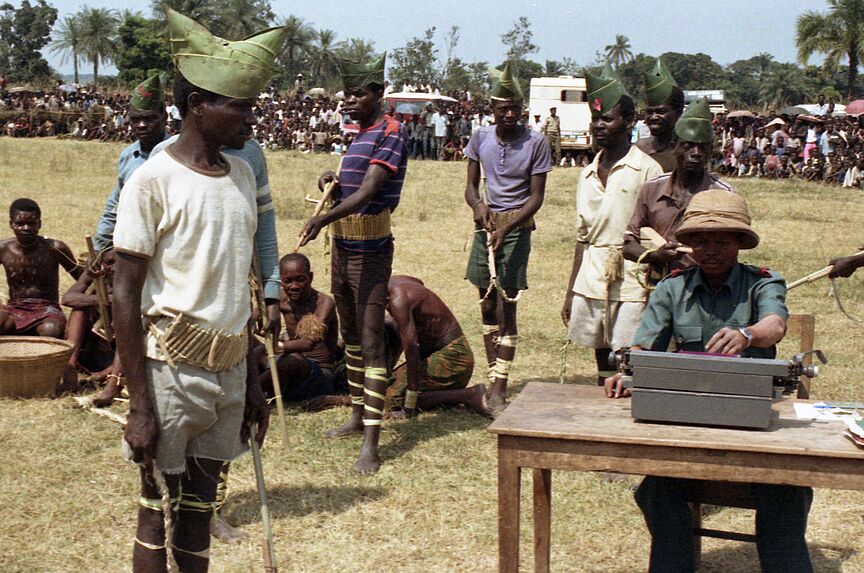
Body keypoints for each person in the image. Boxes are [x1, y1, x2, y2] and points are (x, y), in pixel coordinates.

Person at [112, 10, 285, 571]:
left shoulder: (241, 175)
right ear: (196, 107)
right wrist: (138, 405)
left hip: (229, 370)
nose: (251, 120)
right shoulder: (151, 181)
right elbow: (124, 295)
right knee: (154, 510)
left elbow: (241, 284)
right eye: (239, 106)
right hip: (168, 372)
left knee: (198, 508)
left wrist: (253, 375)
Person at [605, 190, 814, 573]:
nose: (710, 250)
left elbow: (775, 324)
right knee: (657, 490)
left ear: (739, 243)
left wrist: (748, 335)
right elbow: (643, 346)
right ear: (689, 244)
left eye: (722, 241)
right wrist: (629, 372)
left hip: (757, 424)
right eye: (700, 240)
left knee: (786, 492)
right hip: (690, 421)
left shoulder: (762, 283)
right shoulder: (673, 287)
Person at [297, 52, 409, 474]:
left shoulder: (392, 132)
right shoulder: (359, 134)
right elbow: (351, 186)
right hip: (344, 247)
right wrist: (332, 177)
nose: (348, 101)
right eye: (346, 95)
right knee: (353, 338)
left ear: (378, 95)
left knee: (372, 337)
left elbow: (369, 192)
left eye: (357, 94)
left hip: (370, 248)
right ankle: (358, 415)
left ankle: (372, 444)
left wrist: (322, 217)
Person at [561, 67, 662, 385]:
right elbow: (582, 237)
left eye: (608, 119)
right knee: (601, 351)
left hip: (633, 279)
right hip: (591, 275)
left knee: (628, 353)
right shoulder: (586, 173)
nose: (599, 126)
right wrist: (570, 291)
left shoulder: (646, 169)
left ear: (630, 122)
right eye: (596, 120)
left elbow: (657, 233)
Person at [463, 61, 552, 411]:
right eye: (503, 109)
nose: (510, 114)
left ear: (523, 110)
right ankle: (491, 375)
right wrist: (478, 206)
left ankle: (500, 386)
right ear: (493, 111)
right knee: (485, 301)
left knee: (506, 305)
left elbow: (537, 198)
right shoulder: (480, 137)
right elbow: (470, 187)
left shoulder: (537, 142)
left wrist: (507, 227)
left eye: (516, 108)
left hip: (516, 227)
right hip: (485, 227)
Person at [305, 275, 491, 418]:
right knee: (384, 327)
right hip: (435, 353)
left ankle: (469, 395)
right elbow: (418, 283)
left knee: (389, 398)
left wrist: (408, 406)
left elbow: (412, 349)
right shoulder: (396, 282)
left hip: (454, 359)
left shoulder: (398, 301)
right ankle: (441, 393)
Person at [623, 98, 733, 283]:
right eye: (688, 145)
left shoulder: (724, 195)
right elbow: (628, 245)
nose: (696, 153)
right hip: (660, 288)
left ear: (710, 152)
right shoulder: (652, 189)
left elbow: (733, 248)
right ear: (674, 146)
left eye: (702, 147)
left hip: (708, 289)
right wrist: (655, 256)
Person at [93, 73, 169, 253]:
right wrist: (100, 247)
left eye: (149, 119)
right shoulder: (128, 156)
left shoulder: (178, 153)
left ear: (164, 117)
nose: (141, 125)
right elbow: (115, 205)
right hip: (133, 246)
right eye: (135, 120)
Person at [258, 252, 345, 401]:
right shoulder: (281, 299)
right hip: (287, 360)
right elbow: (257, 315)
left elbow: (308, 343)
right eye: (288, 281)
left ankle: (247, 394)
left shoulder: (323, 303)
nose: (294, 286)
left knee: (289, 361)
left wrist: (275, 346)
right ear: (281, 281)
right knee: (254, 349)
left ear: (310, 277)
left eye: (300, 280)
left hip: (319, 374)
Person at [0, 198, 80, 340]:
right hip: (15, 308)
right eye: (20, 223)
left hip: (47, 310)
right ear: (11, 224)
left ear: (39, 224)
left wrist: (94, 273)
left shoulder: (55, 248)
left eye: (31, 223)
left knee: (51, 330)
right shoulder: (3, 249)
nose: (26, 228)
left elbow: (80, 277)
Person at [62, 248, 121, 404]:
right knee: (79, 309)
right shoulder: (96, 272)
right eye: (109, 262)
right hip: (93, 348)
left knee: (130, 324)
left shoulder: (138, 277)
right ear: (101, 263)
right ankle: (70, 364)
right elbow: (68, 298)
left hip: (120, 355)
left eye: (120, 263)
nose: (114, 268)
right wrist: (106, 299)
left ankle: (106, 377)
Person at [635, 59, 685, 172]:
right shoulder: (638, 150)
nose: (653, 117)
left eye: (661, 111)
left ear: (678, 112)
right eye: (649, 112)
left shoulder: (686, 150)